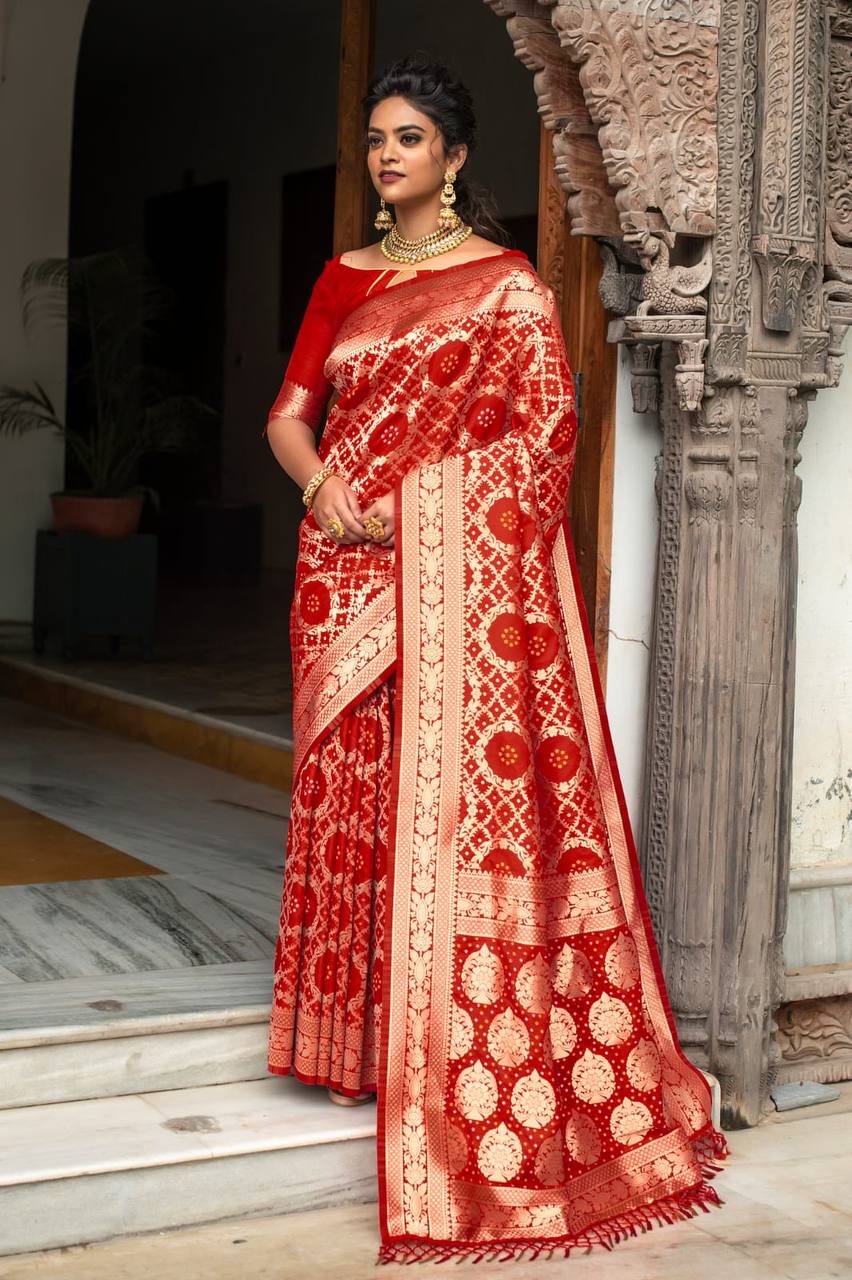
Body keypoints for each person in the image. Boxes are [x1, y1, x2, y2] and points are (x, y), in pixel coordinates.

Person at [263, 55, 729, 1266]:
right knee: (354, 799)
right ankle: (347, 1045)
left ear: (456, 158)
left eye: (409, 138)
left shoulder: (508, 289)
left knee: (437, 804)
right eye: (376, 138)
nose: (386, 156)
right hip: (347, 579)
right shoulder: (343, 279)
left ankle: (431, 1049)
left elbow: (544, 434)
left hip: (451, 578)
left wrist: (420, 506)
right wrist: (326, 490)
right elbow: (288, 413)